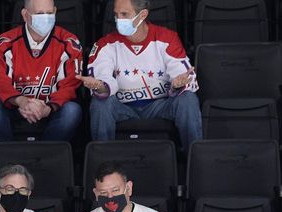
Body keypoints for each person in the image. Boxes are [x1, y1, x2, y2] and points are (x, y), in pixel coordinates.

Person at [81, 0, 202, 150]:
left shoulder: (167, 38)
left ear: (143, 14)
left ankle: (193, 156)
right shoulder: (104, 44)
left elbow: (182, 74)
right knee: (100, 103)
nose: (119, 19)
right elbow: (103, 78)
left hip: (159, 106)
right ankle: (103, 163)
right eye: (116, 14)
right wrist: (101, 87)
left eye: (124, 14)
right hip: (123, 107)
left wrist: (177, 84)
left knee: (187, 98)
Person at [0, 0, 84, 142]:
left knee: (72, 110)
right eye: (39, 13)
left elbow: (69, 85)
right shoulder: (5, 42)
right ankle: (6, 160)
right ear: (25, 15)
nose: (46, 17)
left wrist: (48, 108)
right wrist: (22, 101)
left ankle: (45, 158)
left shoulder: (69, 42)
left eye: (49, 13)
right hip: (16, 106)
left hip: (51, 108)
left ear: (55, 12)